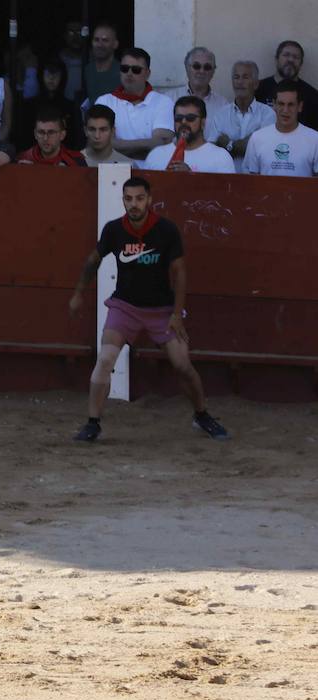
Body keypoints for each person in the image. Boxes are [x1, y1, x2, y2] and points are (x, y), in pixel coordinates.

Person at [68, 176, 229, 443]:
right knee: (106, 359)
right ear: (123, 200)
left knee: (183, 366)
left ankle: (202, 415)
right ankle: (92, 422)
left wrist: (177, 314)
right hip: (125, 306)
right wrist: (77, 294)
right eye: (128, 199)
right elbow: (92, 260)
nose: (134, 204)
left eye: (139, 198)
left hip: (162, 310)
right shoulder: (113, 230)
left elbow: (179, 273)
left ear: (149, 200)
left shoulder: (166, 229)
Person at [94, 47, 173, 161]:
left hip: (152, 173)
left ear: (147, 73)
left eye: (136, 70)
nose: (129, 73)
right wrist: (146, 146)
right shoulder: (104, 102)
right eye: (124, 68)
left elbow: (162, 145)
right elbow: (100, 143)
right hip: (112, 172)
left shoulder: (163, 102)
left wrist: (117, 146)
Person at [143, 96, 234, 174]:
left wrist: (190, 177)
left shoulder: (221, 157)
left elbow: (226, 193)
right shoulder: (156, 155)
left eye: (190, 118)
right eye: (178, 118)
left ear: (203, 123)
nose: (183, 122)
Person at [243, 83, 318, 177]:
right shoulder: (257, 138)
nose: (285, 110)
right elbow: (250, 182)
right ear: (274, 105)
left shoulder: (315, 139)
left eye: (291, 105)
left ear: (300, 106)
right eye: (281, 104)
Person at [212, 61, 274, 165]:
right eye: (236, 77)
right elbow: (213, 150)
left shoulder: (268, 114)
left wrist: (228, 144)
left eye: (245, 77)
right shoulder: (220, 114)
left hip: (256, 178)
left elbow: (260, 149)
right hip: (226, 177)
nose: (240, 82)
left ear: (256, 84)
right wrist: (249, 141)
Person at [167, 47, 227, 141]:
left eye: (207, 67)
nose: (202, 71)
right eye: (196, 66)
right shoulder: (169, 99)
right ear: (187, 67)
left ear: (213, 71)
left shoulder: (223, 105)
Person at [257, 41, 318, 131]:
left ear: (301, 63)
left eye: (296, 57)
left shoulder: (313, 96)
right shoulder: (258, 89)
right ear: (276, 59)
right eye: (286, 55)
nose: (291, 60)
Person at [17, 108, 86, 166]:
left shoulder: (76, 161)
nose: (45, 138)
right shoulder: (23, 159)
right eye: (41, 132)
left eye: (51, 132)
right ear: (35, 134)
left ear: (62, 135)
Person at [82, 22, 121, 104]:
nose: (99, 45)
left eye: (105, 40)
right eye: (96, 40)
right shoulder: (88, 70)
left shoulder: (123, 72)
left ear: (115, 44)